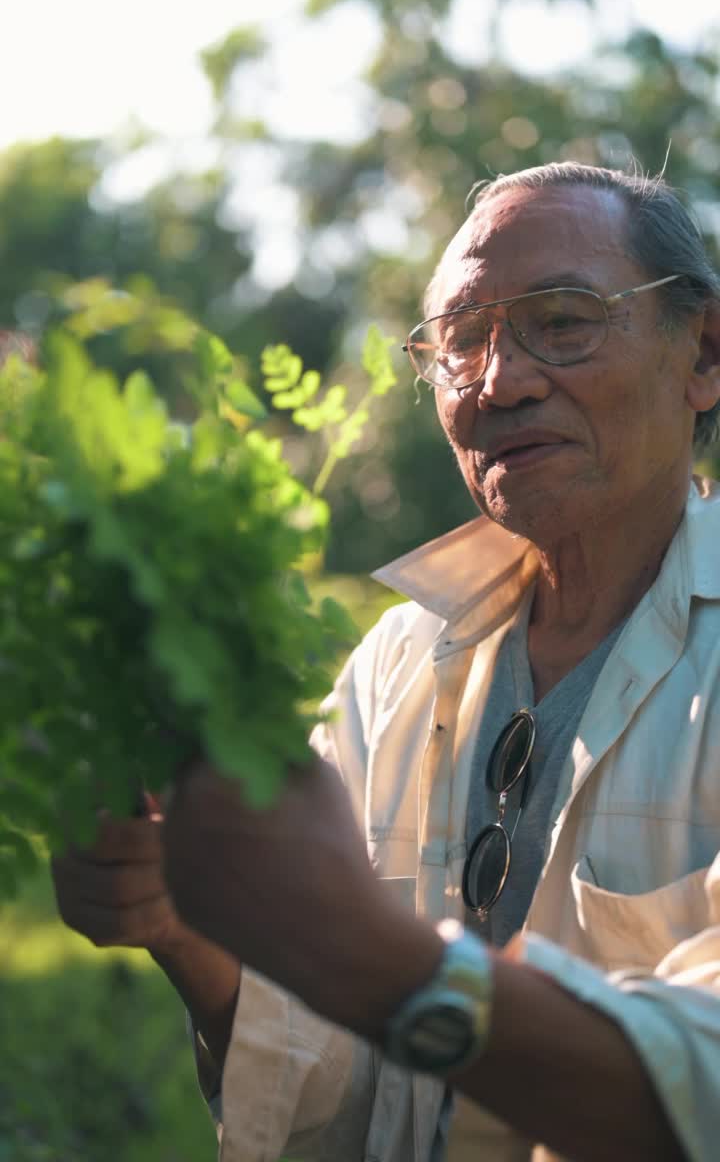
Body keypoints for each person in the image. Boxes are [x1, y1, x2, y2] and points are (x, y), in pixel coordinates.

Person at [52, 162, 720, 1162]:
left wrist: (379, 962)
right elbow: (344, 1080)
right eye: (461, 342)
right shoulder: (399, 660)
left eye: (565, 320)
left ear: (704, 353)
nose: (502, 380)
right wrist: (189, 923)